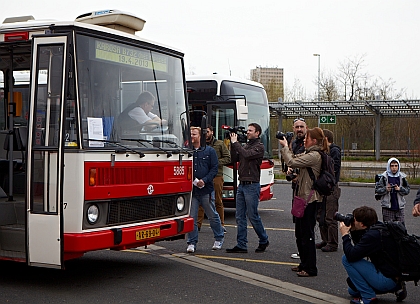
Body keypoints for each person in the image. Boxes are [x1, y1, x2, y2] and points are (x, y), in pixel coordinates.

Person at [279, 127, 326, 277]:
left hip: (310, 199)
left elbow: (292, 160)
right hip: (303, 197)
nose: (304, 140)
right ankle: (303, 264)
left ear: (314, 141)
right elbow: (293, 160)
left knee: (307, 234)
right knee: (300, 233)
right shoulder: (308, 153)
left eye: (307, 138)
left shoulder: (315, 155)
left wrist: (285, 147)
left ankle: (311, 268)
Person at [340, 206, 407, 304]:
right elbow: (360, 249)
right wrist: (354, 231)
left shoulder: (372, 236)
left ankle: (368, 297)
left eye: (354, 220)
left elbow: (351, 255)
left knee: (346, 259)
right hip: (393, 275)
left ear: (362, 224)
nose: (352, 222)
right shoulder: (378, 227)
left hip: (386, 280)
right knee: (353, 291)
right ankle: (398, 287)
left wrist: (345, 235)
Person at [226, 123, 269, 253]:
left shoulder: (259, 147)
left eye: (250, 130)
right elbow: (234, 158)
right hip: (242, 184)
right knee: (239, 216)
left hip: (252, 185)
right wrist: (233, 145)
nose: (247, 132)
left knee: (253, 215)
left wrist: (236, 143)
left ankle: (263, 239)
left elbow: (246, 154)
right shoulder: (246, 145)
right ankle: (241, 244)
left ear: (257, 133)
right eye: (248, 130)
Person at [187, 127, 224, 253]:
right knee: (192, 217)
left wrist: (205, 180)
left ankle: (219, 238)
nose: (191, 136)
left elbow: (214, 168)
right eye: (190, 134)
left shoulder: (209, 151)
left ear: (200, 136)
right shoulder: (187, 151)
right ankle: (192, 242)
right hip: (192, 190)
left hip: (206, 189)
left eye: (194, 134)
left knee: (212, 214)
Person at [197, 125, 231, 233]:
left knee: (217, 200)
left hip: (216, 175)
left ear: (212, 132)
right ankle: (197, 225)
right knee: (201, 201)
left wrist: (214, 163)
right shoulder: (200, 145)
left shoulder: (220, 144)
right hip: (203, 176)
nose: (205, 134)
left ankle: (221, 224)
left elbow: (228, 158)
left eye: (207, 131)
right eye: (204, 132)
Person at [316, 129, 341, 252]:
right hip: (322, 187)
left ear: (326, 138)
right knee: (320, 215)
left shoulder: (334, 151)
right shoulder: (323, 151)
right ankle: (325, 239)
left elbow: (333, 169)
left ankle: (333, 242)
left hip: (330, 188)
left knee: (330, 216)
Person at [288, 118, 308, 260]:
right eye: (297, 127)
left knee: (305, 223)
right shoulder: (294, 143)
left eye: (301, 126)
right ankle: (301, 251)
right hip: (295, 188)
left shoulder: (309, 144)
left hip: (306, 189)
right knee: (297, 220)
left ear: (306, 128)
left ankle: (305, 253)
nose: (299, 129)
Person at [375, 157, 410, 225]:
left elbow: (407, 190)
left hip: (399, 207)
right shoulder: (384, 177)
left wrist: (400, 189)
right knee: (389, 229)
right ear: (389, 166)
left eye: (396, 166)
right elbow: (377, 190)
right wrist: (386, 189)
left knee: (400, 228)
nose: (394, 168)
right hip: (387, 208)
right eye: (392, 166)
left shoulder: (402, 177)